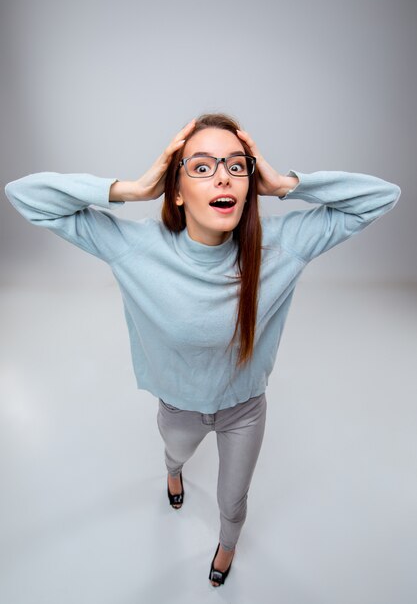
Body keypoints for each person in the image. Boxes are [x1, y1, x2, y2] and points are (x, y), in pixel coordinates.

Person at [4, 112, 401, 587]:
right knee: (175, 452)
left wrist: (285, 184)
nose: (222, 176)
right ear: (176, 189)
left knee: (233, 501)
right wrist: (131, 189)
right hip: (179, 406)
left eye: (237, 166)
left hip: (244, 411)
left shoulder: (281, 246)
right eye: (202, 166)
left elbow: (381, 197)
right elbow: (24, 196)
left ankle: (227, 547)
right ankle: (172, 473)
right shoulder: (134, 246)